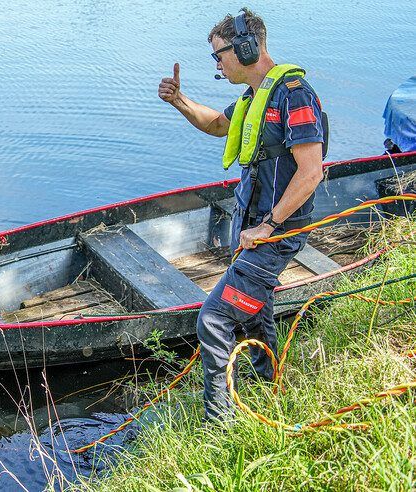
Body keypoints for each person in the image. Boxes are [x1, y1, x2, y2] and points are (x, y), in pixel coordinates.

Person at [158, 8, 327, 421]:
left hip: (275, 231)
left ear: (247, 48)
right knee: (255, 311)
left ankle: (220, 426)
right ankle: (270, 387)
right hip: (252, 226)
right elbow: (218, 124)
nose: (217, 63)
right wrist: (179, 100)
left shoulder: (294, 95)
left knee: (213, 320)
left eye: (220, 55)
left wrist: (267, 226)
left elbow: (311, 173)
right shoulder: (256, 97)